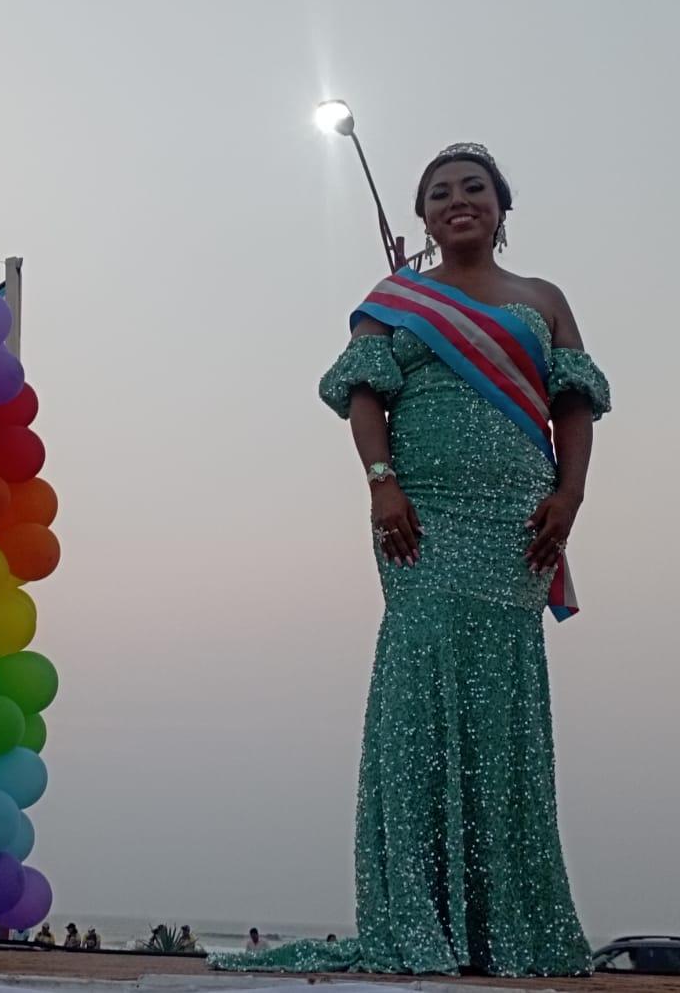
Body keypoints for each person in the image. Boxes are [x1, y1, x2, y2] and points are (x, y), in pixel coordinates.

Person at [213, 143, 609, 978]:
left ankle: (506, 922)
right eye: (440, 194)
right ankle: (417, 918)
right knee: (420, 682)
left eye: (474, 189)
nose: (458, 201)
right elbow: (364, 395)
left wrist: (570, 496)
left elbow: (574, 404)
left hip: (518, 520)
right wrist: (381, 483)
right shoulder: (398, 300)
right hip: (418, 511)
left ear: (503, 207)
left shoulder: (544, 300)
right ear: (423, 216)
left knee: (501, 692)